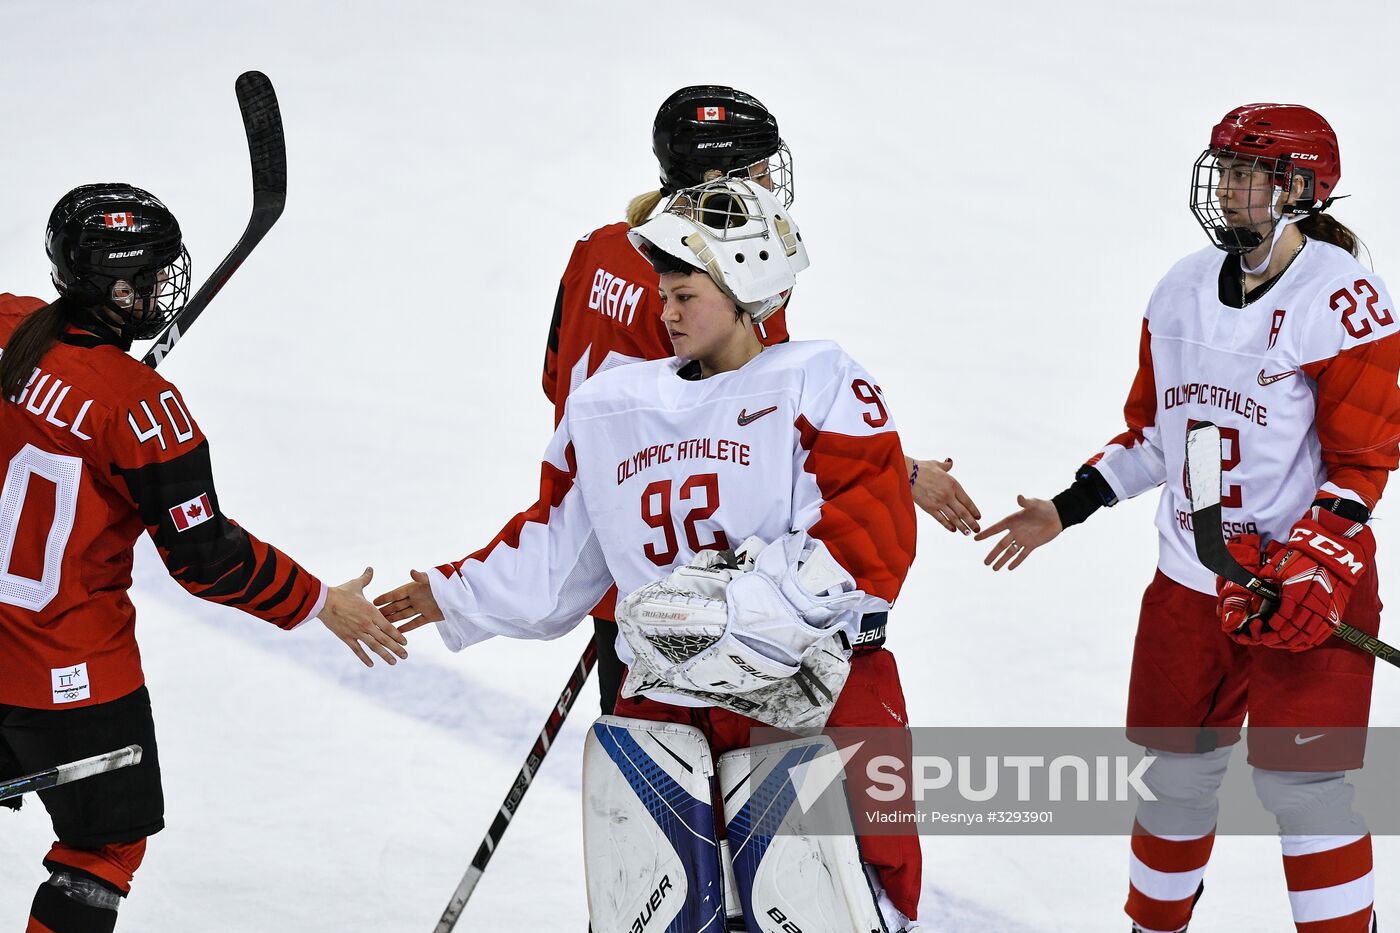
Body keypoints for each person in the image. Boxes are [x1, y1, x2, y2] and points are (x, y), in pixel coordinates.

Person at [380, 177, 923, 930]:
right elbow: (566, 545)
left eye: (684, 294)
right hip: (669, 698)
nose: (662, 311)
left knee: (846, 908)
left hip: (815, 690)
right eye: (661, 292)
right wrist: (457, 591)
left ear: (746, 284)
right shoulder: (613, 404)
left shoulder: (821, 379)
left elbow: (872, 542)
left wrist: (738, 612)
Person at [975, 104, 1400, 932]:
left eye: (1251, 172)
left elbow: (1366, 460)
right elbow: (1153, 436)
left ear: (1300, 189)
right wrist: (1065, 509)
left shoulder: (1345, 301)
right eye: (1228, 169)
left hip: (1305, 584)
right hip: (1188, 582)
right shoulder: (1178, 290)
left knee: (1303, 785)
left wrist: (1311, 560)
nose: (1231, 187)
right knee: (1174, 777)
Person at [0, 183, 405, 933]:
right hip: (69, 673)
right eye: (150, 275)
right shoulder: (144, 409)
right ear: (117, 286)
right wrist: (320, 599)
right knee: (102, 847)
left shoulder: (9, 323)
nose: (163, 285)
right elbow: (206, 557)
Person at [544, 84, 978, 718]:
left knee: (648, 794)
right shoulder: (714, 282)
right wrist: (900, 471)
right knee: (733, 793)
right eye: (760, 166)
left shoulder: (599, 248)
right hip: (692, 588)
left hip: (610, 540)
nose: (772, 181)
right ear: (717, 174)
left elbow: (557, 377)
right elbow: (759, 422)